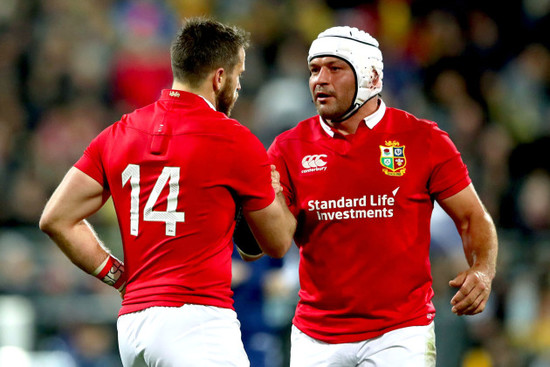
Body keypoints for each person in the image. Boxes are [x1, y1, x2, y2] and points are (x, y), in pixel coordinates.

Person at [39, 17, 296, 367]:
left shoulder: (119, 132)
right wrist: (277, 192)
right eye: (238, 74)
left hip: (134, 326)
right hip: (197, 320)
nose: (238, 86)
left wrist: (118, 276)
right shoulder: (233, 139)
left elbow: (56, 217)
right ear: (220, 77)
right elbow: (277, 242)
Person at [266, 26, 498, 366]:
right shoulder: (287, 148)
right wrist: (265, 203)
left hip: (401, 333)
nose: (320, 79)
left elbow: (472, 217)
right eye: (314, 69)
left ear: (370, 75)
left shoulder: (424, 140)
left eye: (334, 68)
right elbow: (275, 242)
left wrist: (482, 270)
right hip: (316, 335)